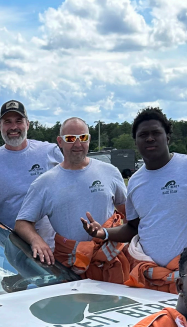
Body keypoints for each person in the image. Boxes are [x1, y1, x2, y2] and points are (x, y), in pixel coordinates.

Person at [82, 107, 187, 291]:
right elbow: (134, 227)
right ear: (136, 142)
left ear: (167, 137)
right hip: (148, 277)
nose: (150, 138)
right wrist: (104, 233)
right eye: (143, 135)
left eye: (156, 133)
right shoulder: (135, 181)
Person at [15, 117, 129, 281]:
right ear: (60, 142)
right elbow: (22, 222)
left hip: (110, 263)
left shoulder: (109, 172)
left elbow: (128, 215)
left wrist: (113, 236)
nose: (77, 144)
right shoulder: (45, 183)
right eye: (70, 139)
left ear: (89, 140)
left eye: (82, 138)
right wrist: (36, 241)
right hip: (70, 269)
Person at [0, 100, 62, 244]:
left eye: (19, 121)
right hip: (12, 248)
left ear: (27, 124)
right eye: (7, 121)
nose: (13, 127)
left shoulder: (50, 152)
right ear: (0, 126)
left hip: (54, 248)